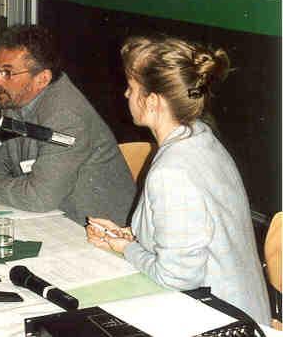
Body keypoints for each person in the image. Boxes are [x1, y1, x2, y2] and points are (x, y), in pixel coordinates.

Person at [86, 35, 270, 324]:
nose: (125, 95)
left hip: (218, 320)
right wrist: (131, 235)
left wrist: (126, 248)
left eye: (132, 88)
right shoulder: (199, 136)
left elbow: (177, 277)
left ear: (154, 101)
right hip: (240, 309)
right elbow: (191, 232)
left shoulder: (172, 171)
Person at [0, 25, 136, 226]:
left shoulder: (66, 117)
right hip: (53, 218)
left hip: (98, 234)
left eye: (8, 73)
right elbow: (1, 161)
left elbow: (39, 197)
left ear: (42, 79)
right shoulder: (14, 97)